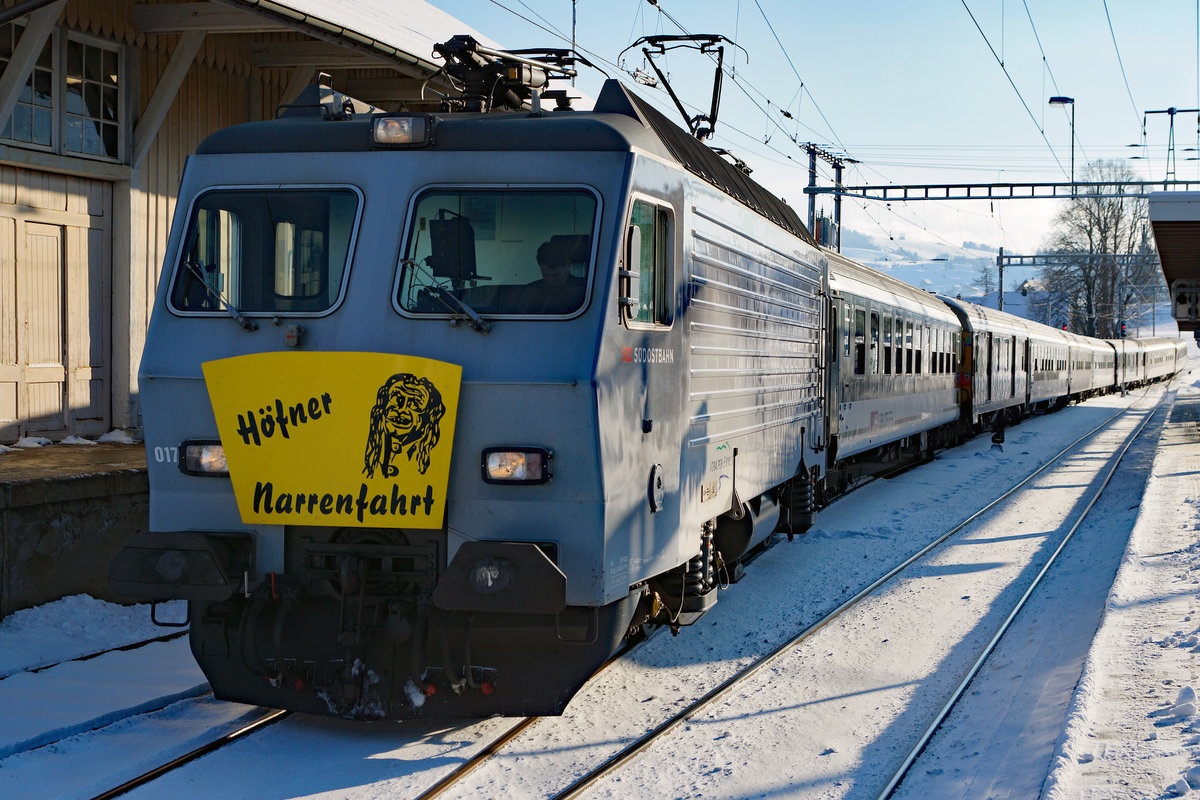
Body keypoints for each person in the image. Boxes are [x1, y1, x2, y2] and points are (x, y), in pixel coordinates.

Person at [518, 239, 587, 313]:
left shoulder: (584, 288)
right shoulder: (530, 290)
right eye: (545, 274)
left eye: (556, 275)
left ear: (568, 265)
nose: (550, 280)